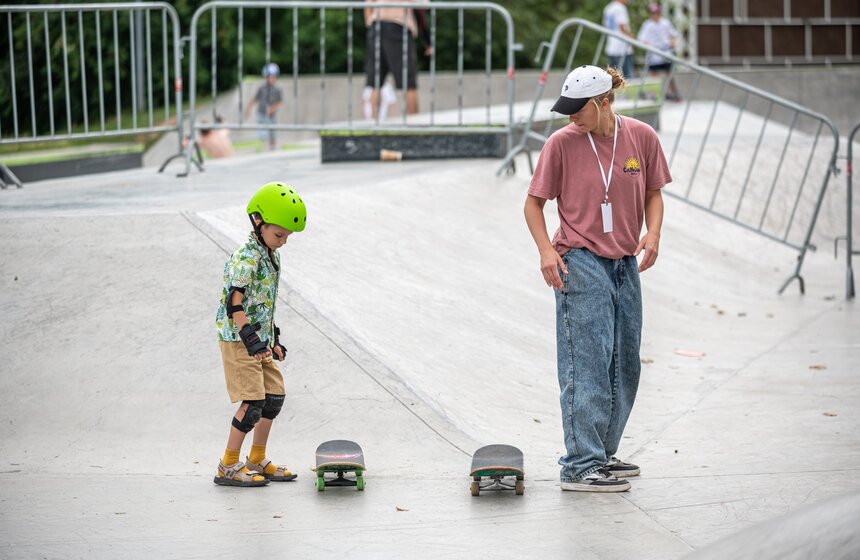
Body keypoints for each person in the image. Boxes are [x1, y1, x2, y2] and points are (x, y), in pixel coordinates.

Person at [524, 65, 671, 492]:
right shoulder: (561, 144)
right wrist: (546, 251)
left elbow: (653, 193)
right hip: (580, 259)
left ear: (602, 102)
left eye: (578, 110)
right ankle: (580, 463)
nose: (571, 117)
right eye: (566, 110)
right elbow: (533, 205)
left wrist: (654, 232)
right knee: (585, 363)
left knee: (624, 364)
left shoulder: (641, 137)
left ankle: (602, 454)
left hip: (625, 263)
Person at [213, 181, 308, 487]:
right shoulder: (246, 257)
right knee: (252, 402)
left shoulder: (271, 255)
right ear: (258, 222)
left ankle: (256, 458)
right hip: (239, 340)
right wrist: (251, 340)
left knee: (274, 398)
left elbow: (263, 302)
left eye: (287, 236)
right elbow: (234, 302)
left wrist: (273, 339)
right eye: (279, 234)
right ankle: (227, 465)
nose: (284, 241)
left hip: (260, 341)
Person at [364, 0, 433, 117]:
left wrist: (370, 22)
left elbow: (367, 5)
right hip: (398, 28)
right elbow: (423, 5)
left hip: (376, 26)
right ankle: (414, 123)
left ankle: (373, 124)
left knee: (376, 82)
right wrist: (428, 40)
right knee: (409, 83)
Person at [637, 3, 682, 101]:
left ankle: (674, 94)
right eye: (653, 13)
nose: (655, 15)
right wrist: (648, 44)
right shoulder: (647, 24)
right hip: (654, 54)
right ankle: (654, 94)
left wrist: (673, 42)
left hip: (665, 52)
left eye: (656, 13)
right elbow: (641, 39)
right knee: (653, 74)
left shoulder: (665, 23)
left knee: (669, 74)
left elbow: (673, 34)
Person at [245, 63, 283, 151]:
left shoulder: (277, 89)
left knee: (272, 134)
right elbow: (254, 99)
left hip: (271, 116)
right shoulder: (261, 88)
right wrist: (248, 109)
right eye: (270, 77)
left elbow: (280, 102)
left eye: (274, 77)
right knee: (262, 134)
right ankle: (262, 149)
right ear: (266, 77)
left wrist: (272, 108)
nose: (272, 79)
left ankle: (272, 149)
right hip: (261, 114)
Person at [602, 0, 635, 79]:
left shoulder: (608, 7)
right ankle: (626, 91)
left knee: (613, 77)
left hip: (611, 46)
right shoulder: (620, 8)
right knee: (627, 76)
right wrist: (632, 39)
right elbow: (622, 26)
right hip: (622, 47)